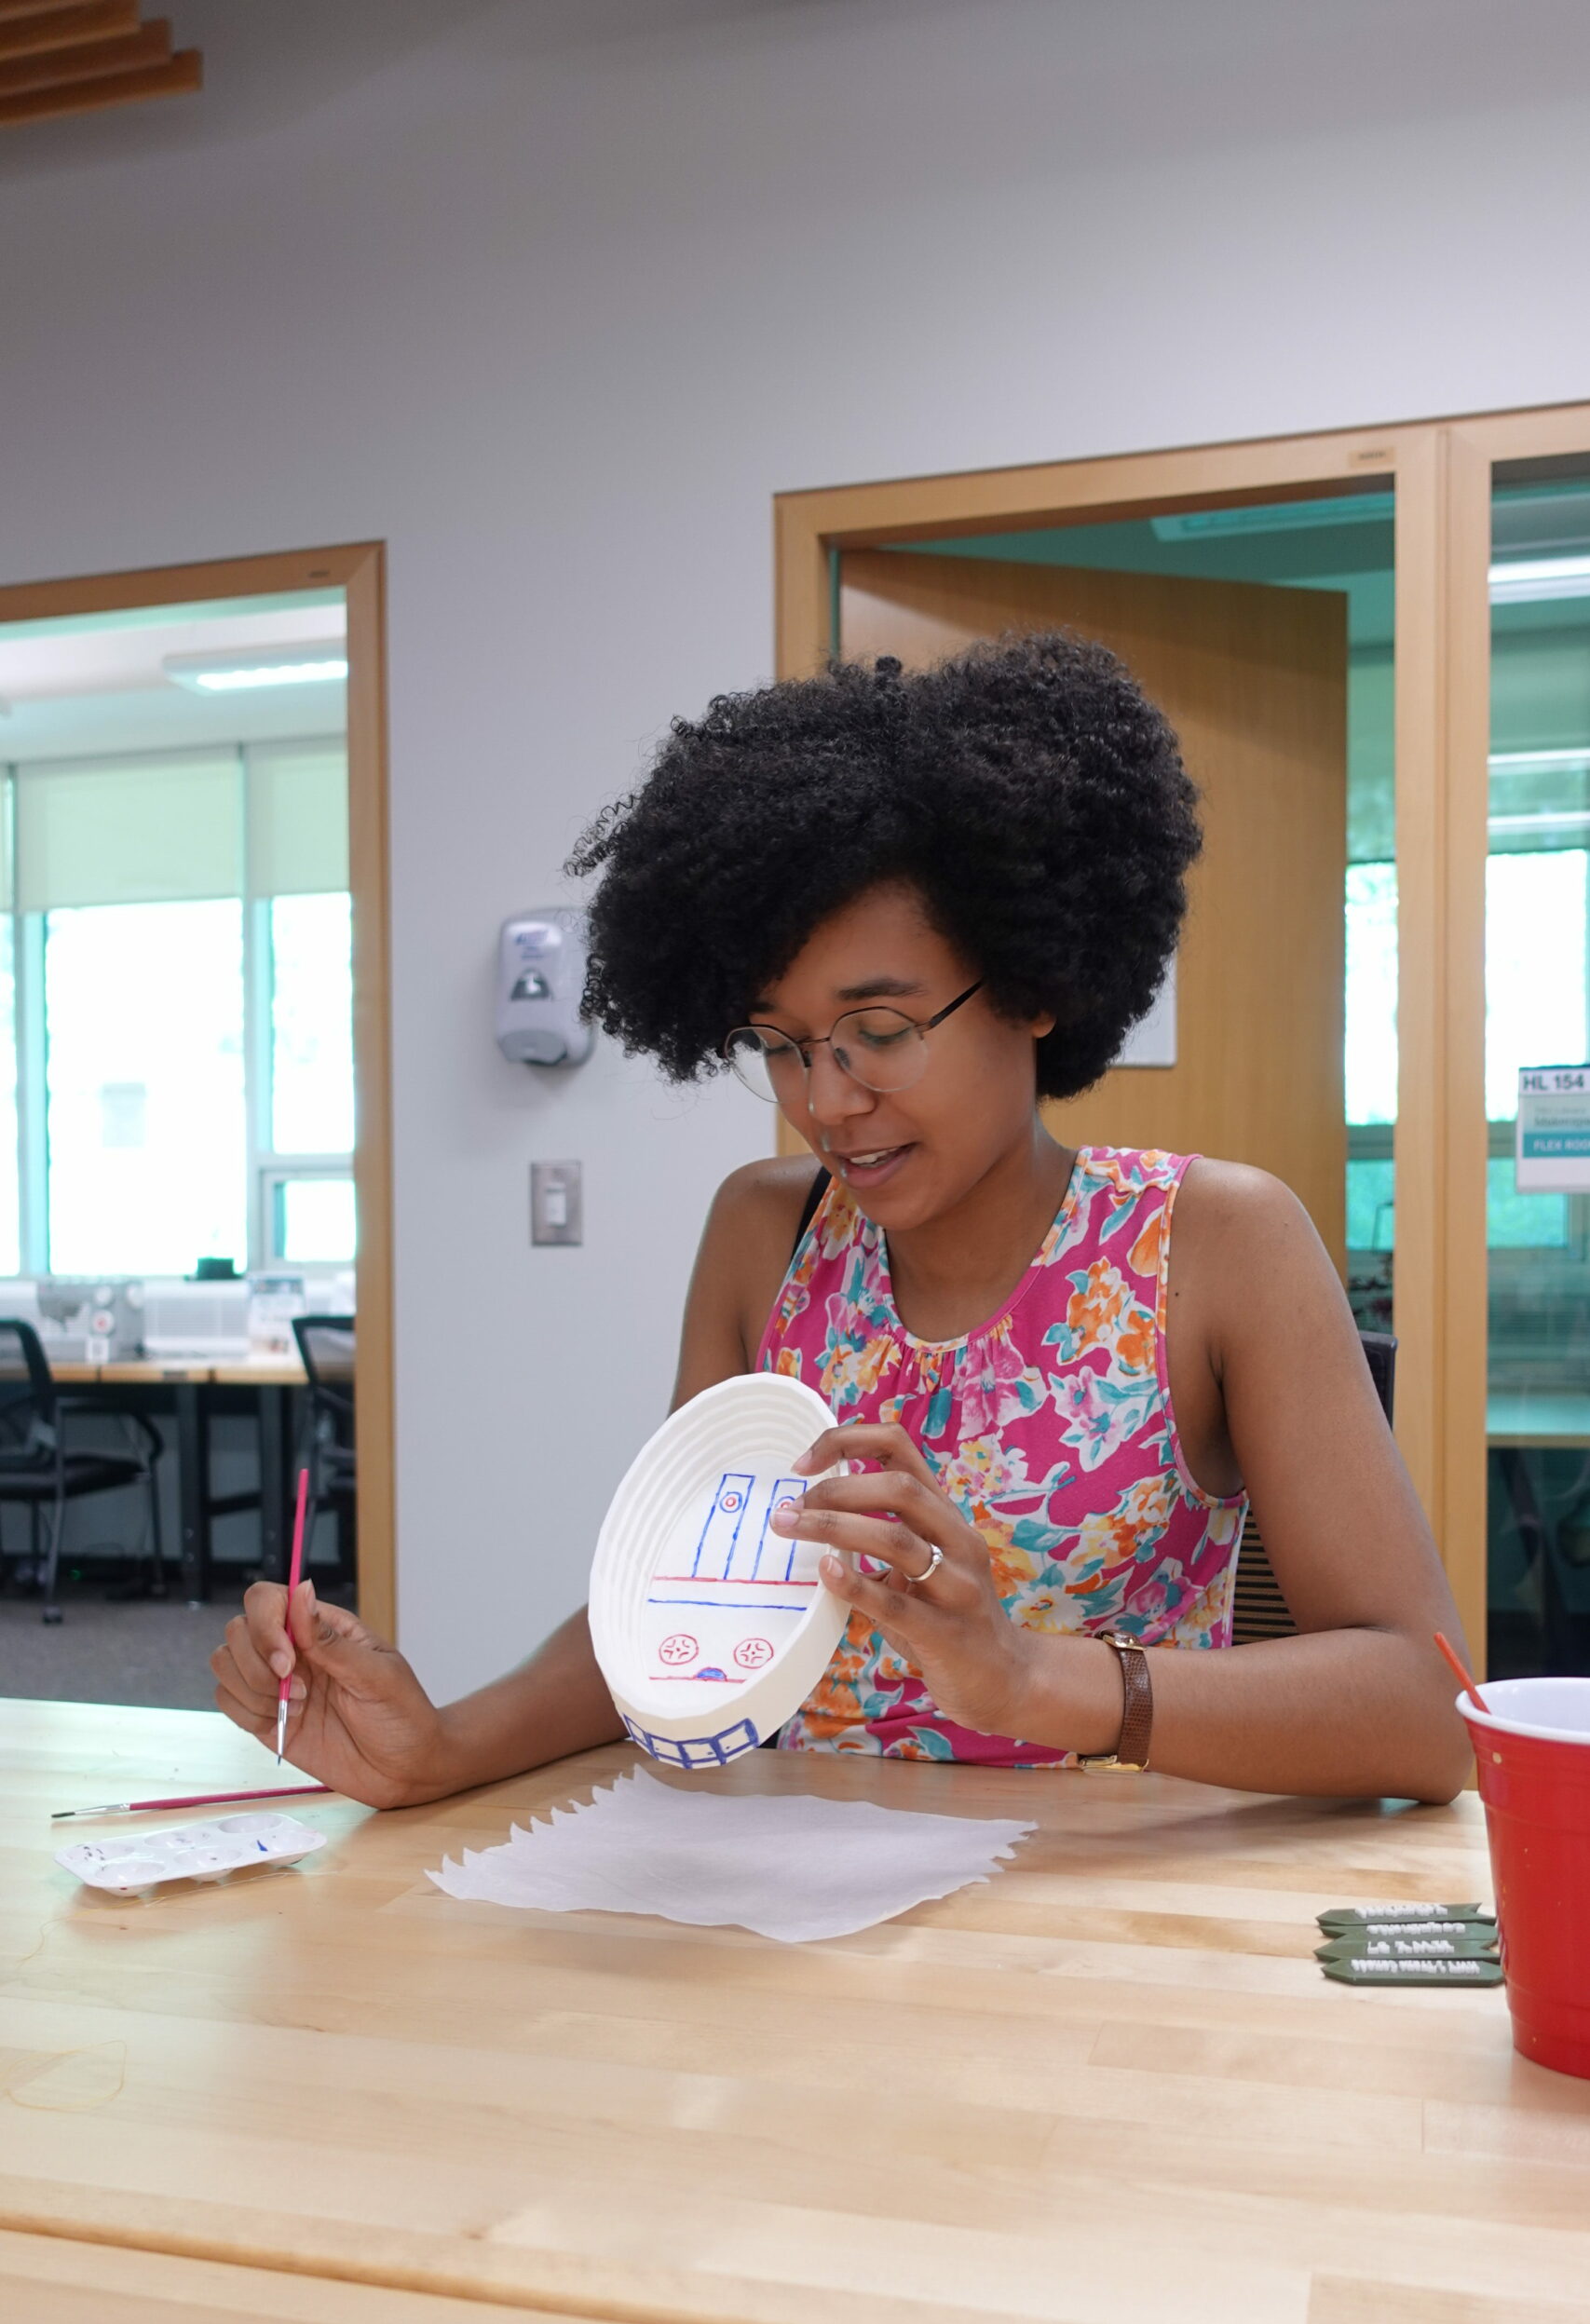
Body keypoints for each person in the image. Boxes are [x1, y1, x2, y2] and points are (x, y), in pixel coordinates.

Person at [212, 634, 1471, 1805]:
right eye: (783, 1044)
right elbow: (669, 1618)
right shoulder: (765, 1237)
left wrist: (1033, 1679)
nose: (826, 1100)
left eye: (879, 1032)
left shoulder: (1213, 1245)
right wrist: (439, 1749)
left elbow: (1422, 1709)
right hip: (796, 1918)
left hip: (1096, 1939)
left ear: (1035, 986)